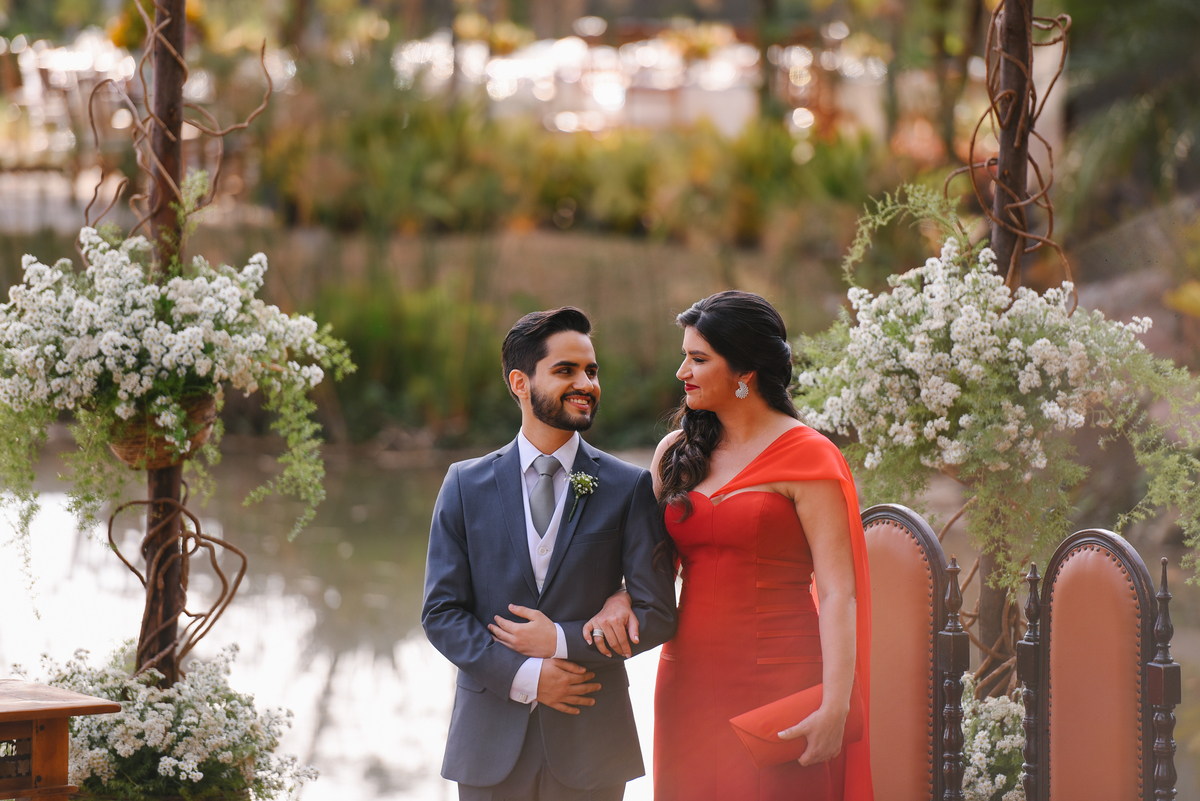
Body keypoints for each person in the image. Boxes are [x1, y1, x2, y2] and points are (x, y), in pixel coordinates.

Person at [585, 290, 873, 800]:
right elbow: (647, 564)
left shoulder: (811, 457)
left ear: (746, 372)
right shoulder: (675, 453)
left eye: (698, 359)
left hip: (782, 676)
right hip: (687, 675)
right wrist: (619, 596)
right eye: (684, 357)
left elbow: (837, 593)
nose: (682, 372)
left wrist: (836, 702)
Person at [422, 306, 678, 801]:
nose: (585, 382)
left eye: (592, 370)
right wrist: (526, 676)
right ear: (520, 382)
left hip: (593, 743)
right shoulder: (463, 485)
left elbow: (658, 614)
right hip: (487, 744)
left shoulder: (628, 487)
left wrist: (560, 643)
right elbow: (441, 613)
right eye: (565, 370)